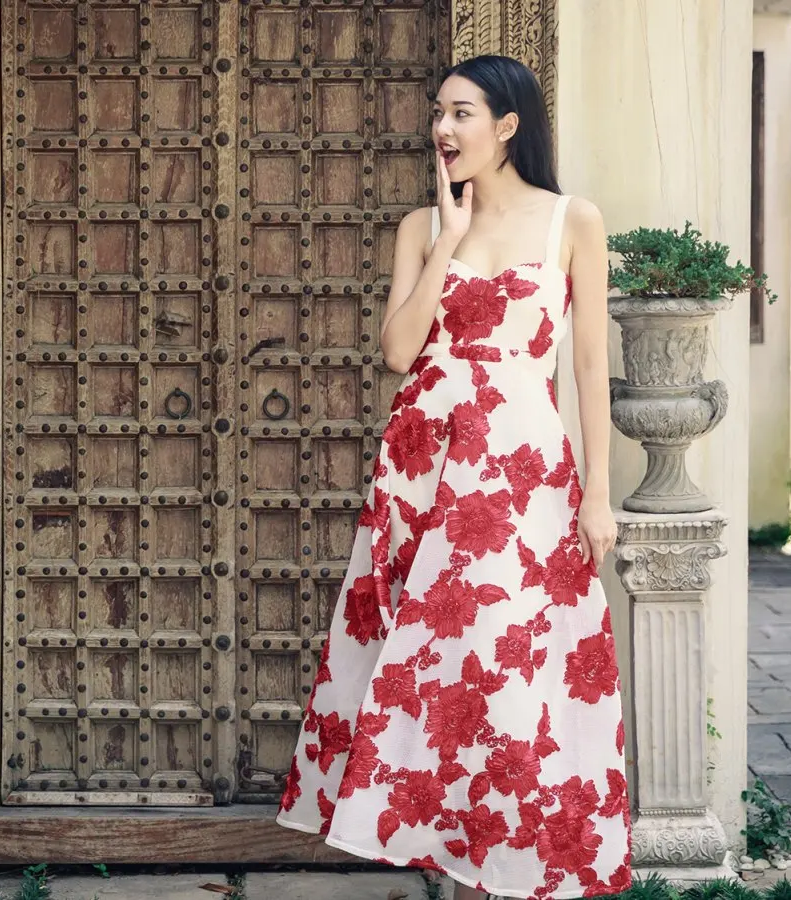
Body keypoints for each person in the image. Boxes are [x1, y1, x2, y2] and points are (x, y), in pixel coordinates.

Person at [274, 55, 632, 900]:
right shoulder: (420, 227)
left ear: (508, 125)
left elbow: (587, 371)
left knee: (509, 673)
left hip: (521, 474)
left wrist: (599, 493)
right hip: (422, 467)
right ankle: (461, 866)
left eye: (462, 113)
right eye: (438, 112)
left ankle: (505, 868)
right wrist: (451, 240)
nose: (442, 128)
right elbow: (399, 353)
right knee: (433, 671)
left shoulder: (571, 221)